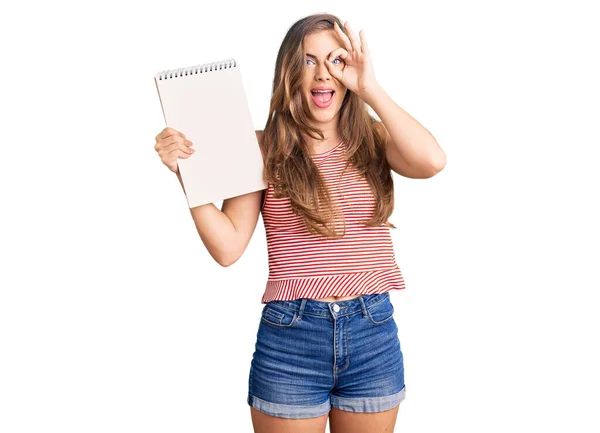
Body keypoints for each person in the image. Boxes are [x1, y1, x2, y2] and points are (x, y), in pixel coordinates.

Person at [154, 12, 445, 433]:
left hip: (372, 331)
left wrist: (371, 89)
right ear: (289, 73)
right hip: (291, 336)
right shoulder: (261, 149)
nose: (323, 73)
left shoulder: (377, 139)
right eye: (309, 61)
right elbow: (228, 247)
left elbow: (432, 162)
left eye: (336, 60)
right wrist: (189, 177)